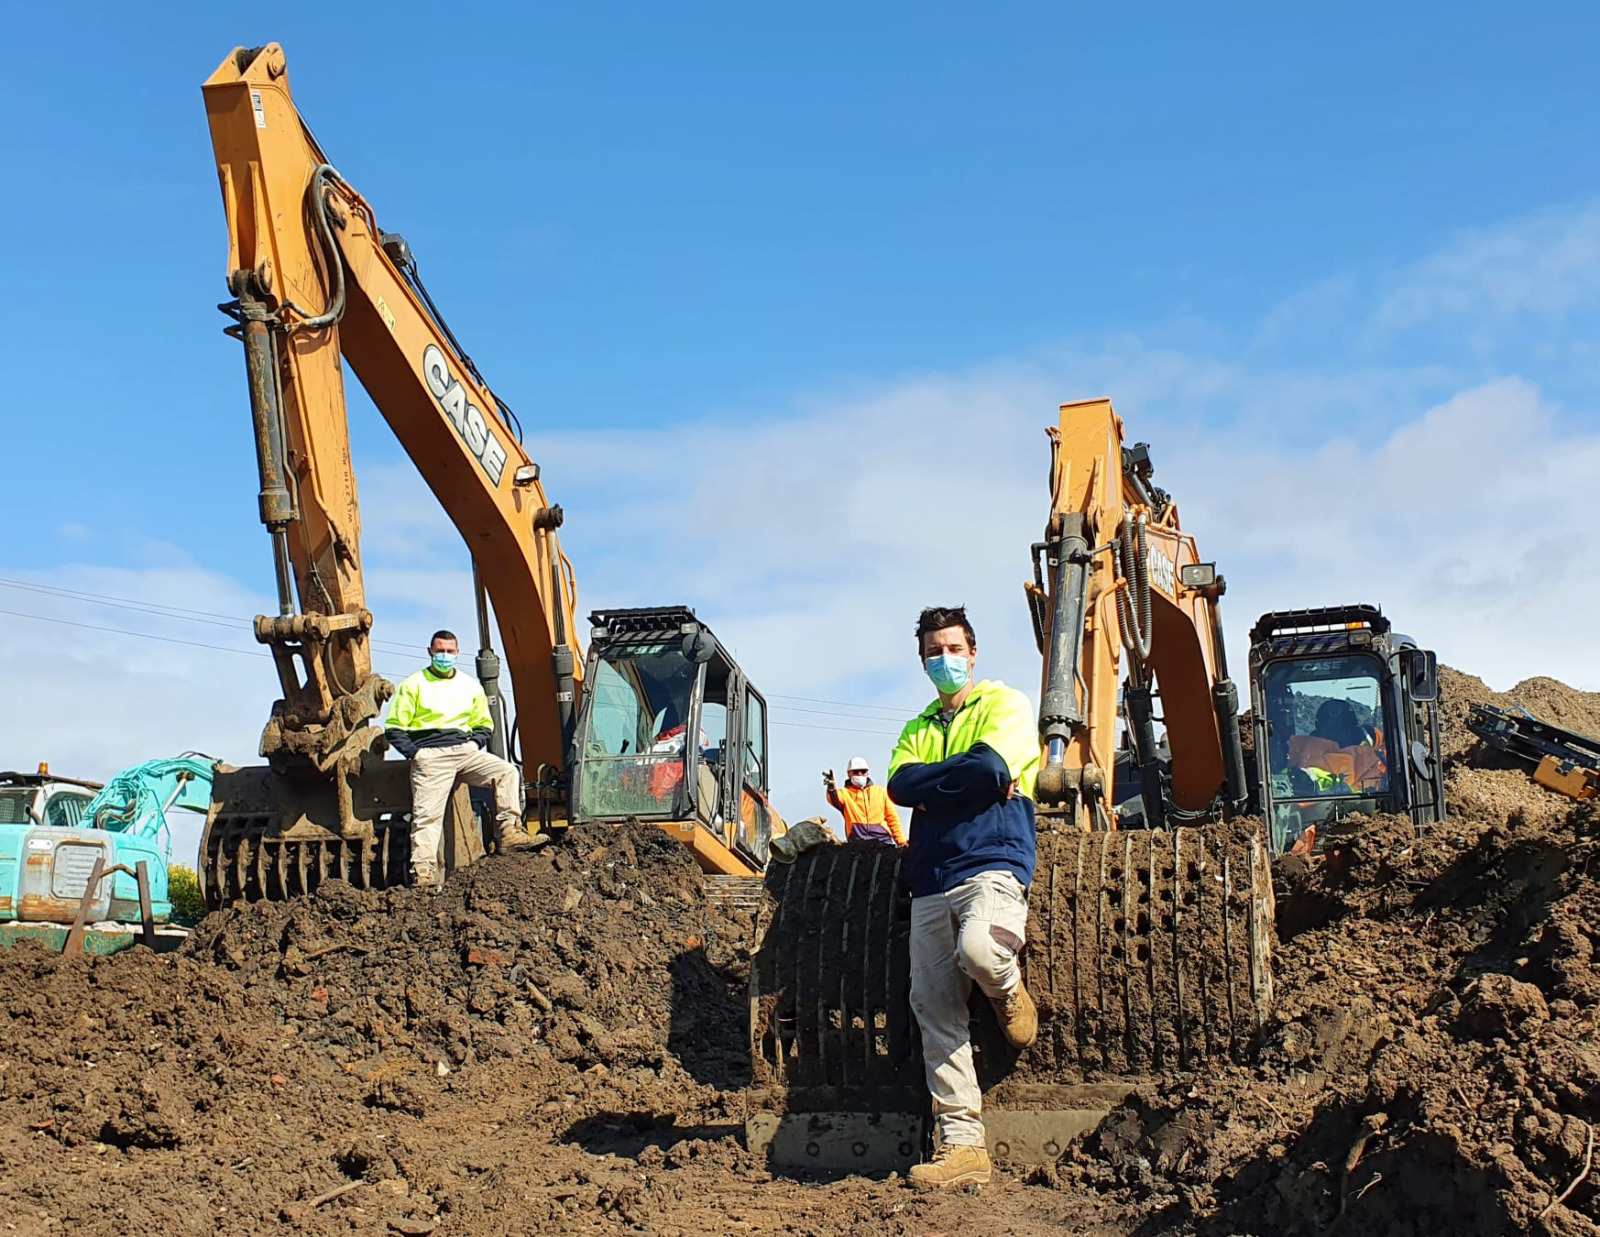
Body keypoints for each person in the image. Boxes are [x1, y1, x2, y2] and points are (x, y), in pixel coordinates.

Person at [886, 605, 1040, 1190]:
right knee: (932, 1003)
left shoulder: (1007, 703)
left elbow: (993, 765)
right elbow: (899, 785)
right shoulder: (917, 725)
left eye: (953, 648)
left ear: (972, 653)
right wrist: (965, 778)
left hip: (992, 857)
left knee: (980, 950)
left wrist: (937, 786)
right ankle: (963, 1145)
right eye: (933, 651)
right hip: (929, 874)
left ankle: (1008, 996)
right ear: (923, 660)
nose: (943, 659)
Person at [384, 630, 539, 890]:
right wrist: (416, 753)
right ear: (430, 652)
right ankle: (423, 870)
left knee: (507, 772)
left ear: (457, 653)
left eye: (449, 651)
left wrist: (473, 744)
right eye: (440, 651)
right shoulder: (413, 685)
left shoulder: (469, 686)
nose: (444, 656)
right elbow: (394, 727)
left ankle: (510, 831)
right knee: (426, 816)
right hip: (430, 755)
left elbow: (483, 723)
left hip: (464, 751)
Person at [823, 757, 905, 845]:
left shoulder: (881, 793)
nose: (860, 774)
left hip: (883, 840)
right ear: (849, 774)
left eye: (863, 771)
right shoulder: (844, 793)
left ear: (867, 773)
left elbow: (892, 819)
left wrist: (901, 842)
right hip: (857, 841)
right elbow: (834, 799)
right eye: (856, 772)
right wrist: (831, 788)